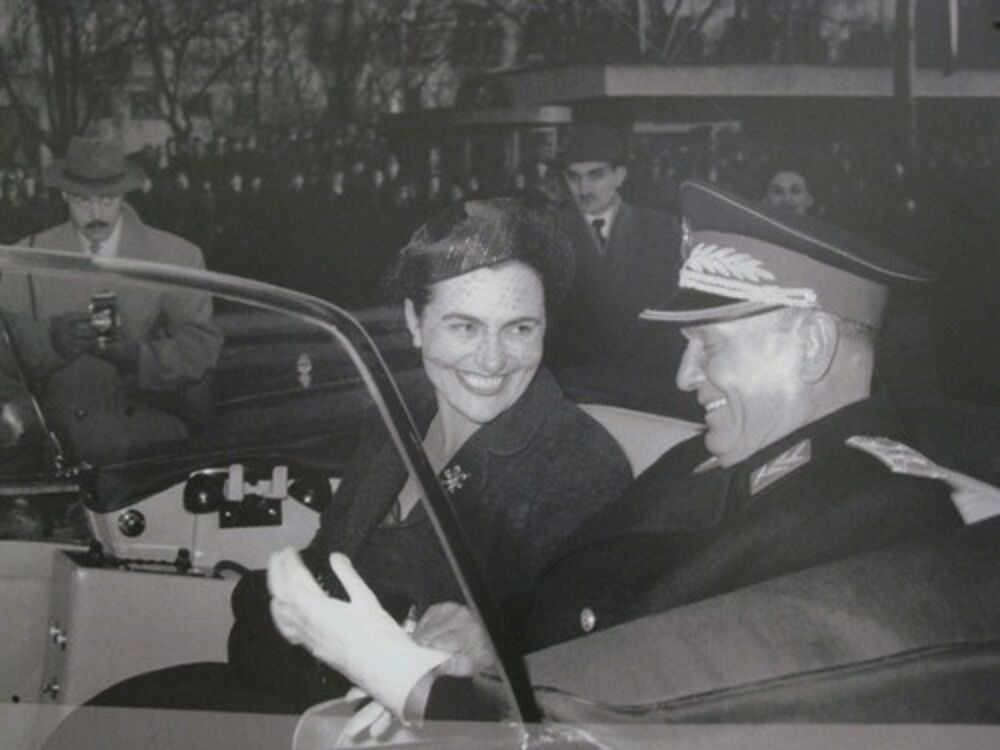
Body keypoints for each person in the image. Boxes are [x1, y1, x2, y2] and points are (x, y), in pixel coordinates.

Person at [267, 180, 972, 731]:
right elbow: (582, 621)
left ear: (812, 345)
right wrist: (489, 646)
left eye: (710, 346)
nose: (684, 377)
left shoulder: (876, 517)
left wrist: (415, 686)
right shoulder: (708, 461)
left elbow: (674, 722)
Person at [57, 199, 631, 723]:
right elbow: (322, 564)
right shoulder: (401, 416)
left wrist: (489, 643)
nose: (493, 359)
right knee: (102, 721)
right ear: (414, 323)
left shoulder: (580, 462)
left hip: (404, 728)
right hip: (306, 693)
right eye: (464, 326)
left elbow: (579, 653)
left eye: (519, 329)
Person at [0, 135, 222, 465]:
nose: (96, 214)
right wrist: (50, 340)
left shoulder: (176, 257)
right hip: (59, 452)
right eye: (82, 201)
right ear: (64, 194)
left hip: (152, 451)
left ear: (123, 194)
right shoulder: (29, 260)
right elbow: (3, 359)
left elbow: (201, 350)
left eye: (107, 200)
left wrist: (138, 357)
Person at [547, 123, 690, 416]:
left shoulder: (661, 229)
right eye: (574, 177)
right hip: (577, 392)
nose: (583, 188)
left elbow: (675, 312)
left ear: (619, 175)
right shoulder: (548, 234)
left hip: (650, 391)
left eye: (595, 175)